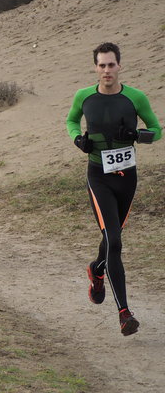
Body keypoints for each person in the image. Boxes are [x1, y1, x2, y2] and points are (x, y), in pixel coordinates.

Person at [66, 42, 162, 336]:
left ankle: (96, 269)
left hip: (127, 177)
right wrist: (78, 140)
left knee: (112, 238)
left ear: (120, 66)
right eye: (102, 65)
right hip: (98, 176)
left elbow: (156, 130)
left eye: (111, 64)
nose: (107, 70)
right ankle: (124, 312)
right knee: (115, 240)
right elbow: (71, 121)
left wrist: (137, 134)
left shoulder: (135, 97)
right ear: (96, 67)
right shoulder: (84, 96)